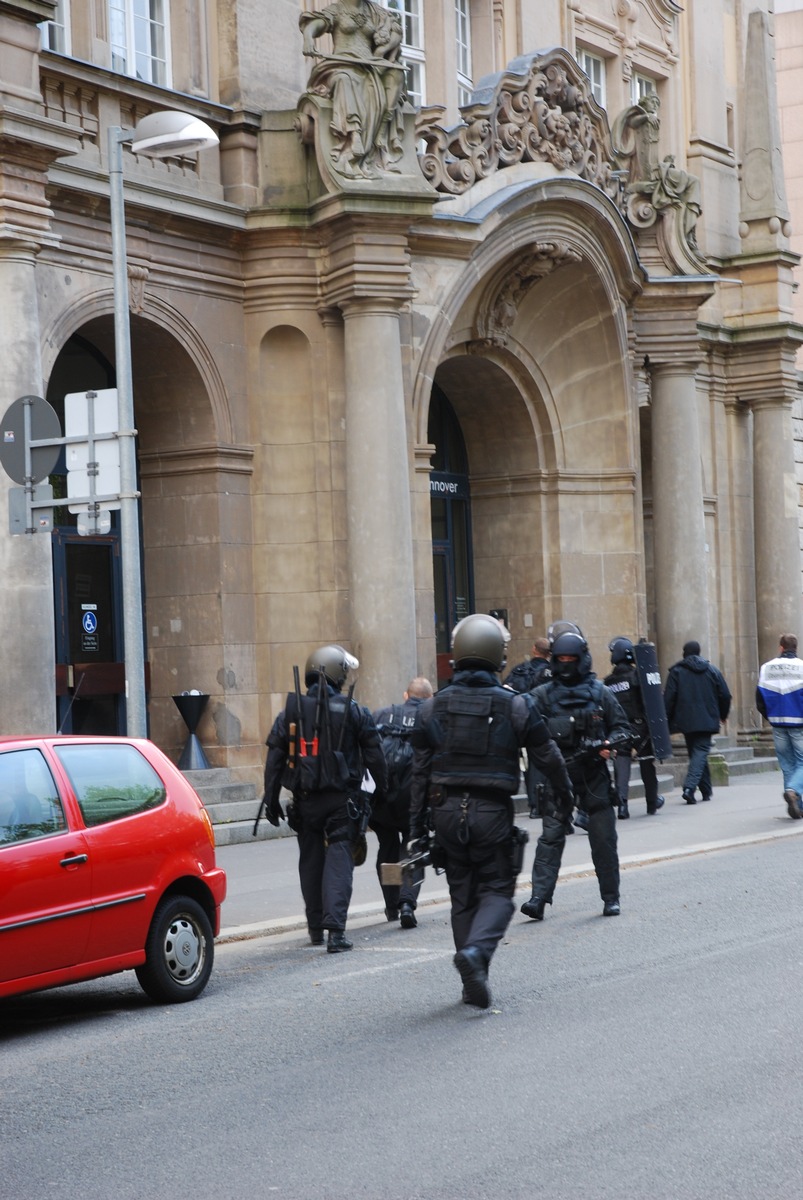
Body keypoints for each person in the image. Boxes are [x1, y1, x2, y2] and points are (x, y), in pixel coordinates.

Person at [409, 613, 572, 1009]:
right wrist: (565, 801)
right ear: (497, 655)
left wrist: (415, 827)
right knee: (498, 891)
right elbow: (549, 759)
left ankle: (471, 980)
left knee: (462, 895)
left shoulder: (432, 708)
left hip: (445, 812)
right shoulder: (516, 705)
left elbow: (418, 774)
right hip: (492, 813)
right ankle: (477, 955)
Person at [261, 644, 388, 953]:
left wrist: (271, 798)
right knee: (339, 860)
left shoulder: (290, 712)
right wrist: (383, 790)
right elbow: (375, 755)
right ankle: (336, 932)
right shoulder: (353, 709)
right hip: (341, 801)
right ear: (338, 675)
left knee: (311, 861)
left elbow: (275, 758)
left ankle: (316, 928)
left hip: (303, 800)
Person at [521, 628, 633, 920]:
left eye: (572, 658)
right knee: (550, 839)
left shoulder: (600, 692)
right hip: (558, 776)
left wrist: (610, 745)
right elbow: (521, 723)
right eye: (562, 658)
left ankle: (611, 898)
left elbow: (622, 727)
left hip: (594, 774)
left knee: (603, 840)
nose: (567, 663)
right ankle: (538, 898)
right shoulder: (542, 695)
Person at [370, 676, 434, 928]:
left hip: (382, 798)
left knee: (386, 848)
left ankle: (391, 904)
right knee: (412, 847)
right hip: (414, 799)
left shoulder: (382, 714)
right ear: (429, 699)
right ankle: (407, 902)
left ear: (406, 696)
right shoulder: (432, 718)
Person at [604, 637, 665, 819]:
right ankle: (652, 801)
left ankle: (623, 806)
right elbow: (649, 700)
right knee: (647, 764)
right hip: (640, 727)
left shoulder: (608, 682)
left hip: (619, 729)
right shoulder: (637, 676)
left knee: (621, 767)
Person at [663, 640, 731, 804]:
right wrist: (723, 714)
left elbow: (668, 699)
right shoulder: (712, 670)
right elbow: (725, 695)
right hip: (707, 718)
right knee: (700, 752)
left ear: (684, 653)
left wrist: (666, 720)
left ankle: (706, 790)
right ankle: (690, 787)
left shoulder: (676, 671)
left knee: (697, 752)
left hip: (685, 720)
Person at [502, 637, 551, 817]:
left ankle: (534, 801)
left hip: (524, 723)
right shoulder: (554, 672)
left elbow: (506, 692)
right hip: (549, 723)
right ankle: (545, 801)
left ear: (534, 649)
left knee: (530, 763)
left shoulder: (520, 670)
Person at [755, 634, 803, 820]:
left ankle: (796, 805)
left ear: (781, 648)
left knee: (787, 764)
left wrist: (770, 717)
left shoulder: (767, 668)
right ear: (795, 648)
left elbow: (759, 700)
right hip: (799, 722)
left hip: (777, 723)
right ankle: (793, 792)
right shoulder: (801, 667)